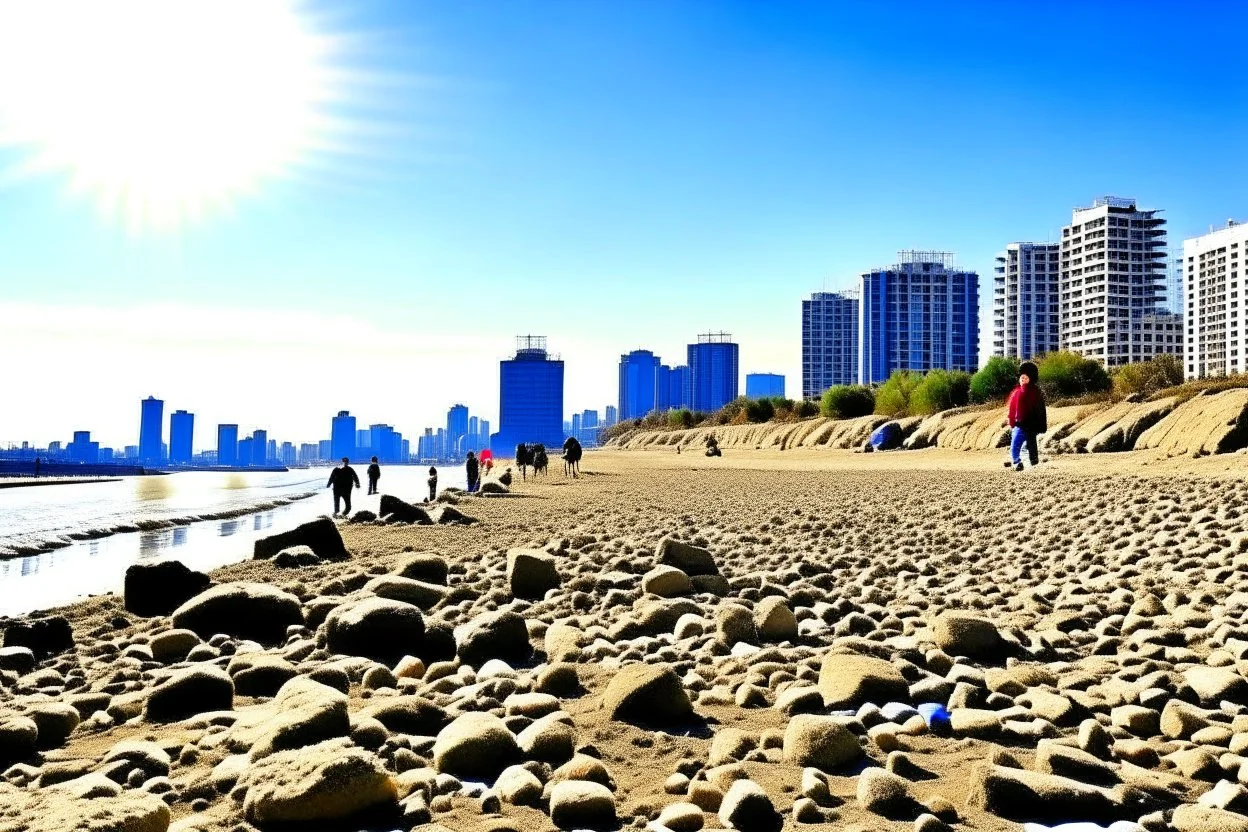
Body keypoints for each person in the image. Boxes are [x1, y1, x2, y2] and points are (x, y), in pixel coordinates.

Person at [1005, 361, 1047, 472]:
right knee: (1015, 444)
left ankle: (1035, 465)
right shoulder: (1016, 392)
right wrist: (1011, 421)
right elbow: (1012, 409)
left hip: (1031, 425)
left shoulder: (1036, 392)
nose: (1023, 380)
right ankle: (1017, 462)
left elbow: (1041, 410)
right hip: (1019, 424)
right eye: (1021, 378)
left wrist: (1042, 425)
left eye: (1026, 378)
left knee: (1032, 445)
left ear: (1031, 379)